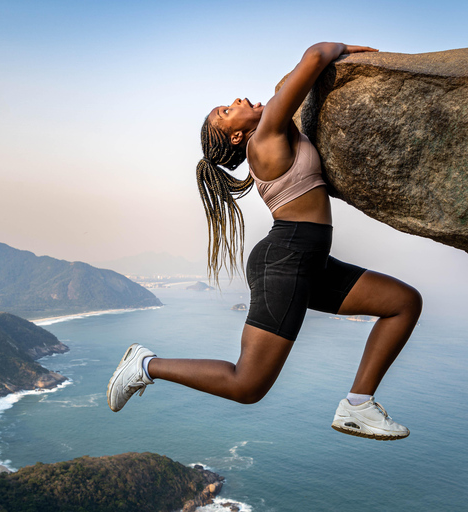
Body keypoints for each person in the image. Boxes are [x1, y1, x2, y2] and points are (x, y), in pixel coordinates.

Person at [107, 42, 422, 441]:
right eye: (225, 111)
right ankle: (146, 365)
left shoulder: (273, 129)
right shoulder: (265, 136)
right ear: (238, 135)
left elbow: (293, 80)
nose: (236, 100)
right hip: (286, 260)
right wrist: (348, 50)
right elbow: (314, 56)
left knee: (403, 302)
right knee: (247, 385)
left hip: (308, 260)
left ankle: (358, 405)